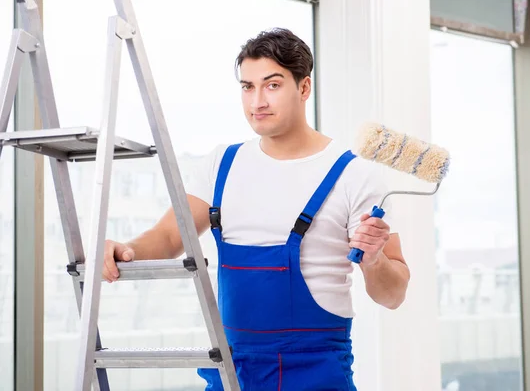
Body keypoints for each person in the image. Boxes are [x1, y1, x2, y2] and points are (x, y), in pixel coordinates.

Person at [102, 28, 410, 391]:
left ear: (304, 88)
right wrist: (127, 250)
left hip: (316, 374)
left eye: (273, 85)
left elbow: (393, 295)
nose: (257, 101)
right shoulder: (223, 165)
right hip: (233, 373)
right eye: (247, 87)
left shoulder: (353, 175)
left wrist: (373, 261)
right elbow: (170, 236)